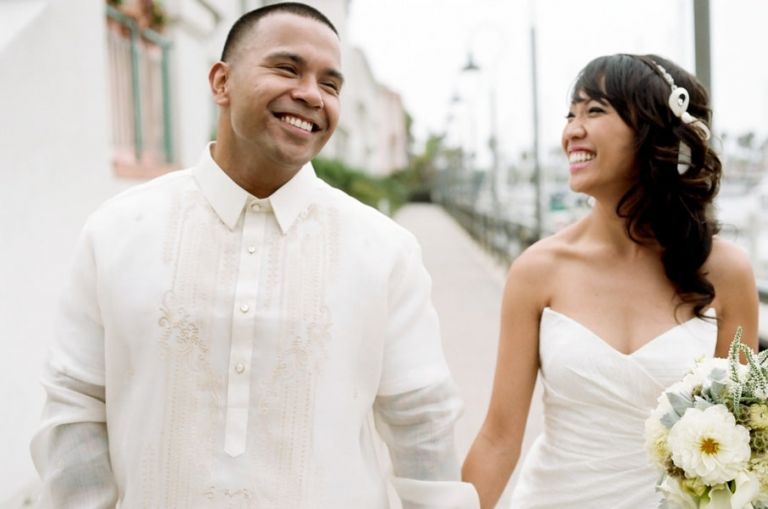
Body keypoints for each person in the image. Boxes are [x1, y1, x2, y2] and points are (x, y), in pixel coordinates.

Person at [30, 3, 478, 508]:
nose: (311, 94)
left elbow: (423, 428)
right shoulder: (117, 230)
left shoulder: (385, 250)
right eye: (287, 68)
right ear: (221, 82)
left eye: (330, 85)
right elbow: (74, 408)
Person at [462, 53, 760, 508]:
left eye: (594, 111)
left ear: (654, 132)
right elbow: (500, 438)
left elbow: (743, 438)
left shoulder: (727, 272)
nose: (571, 131)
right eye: (570, 114)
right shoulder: (536, 271)